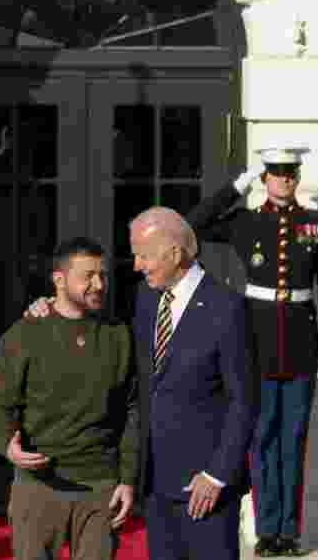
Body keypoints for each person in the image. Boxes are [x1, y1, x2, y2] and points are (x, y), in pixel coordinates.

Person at [186, 147, 318, 557]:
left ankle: (289, 532)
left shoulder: (317, 224)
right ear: (265, 179)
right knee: (261, 438)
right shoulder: (246, 222)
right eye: (275, 174)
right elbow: (192, 226)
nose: (284, 180)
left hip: (302, 345)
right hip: (256, 343)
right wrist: (237, 184)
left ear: (297, 177)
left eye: (290, 173)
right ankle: (266, 529)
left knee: (293, 439)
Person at [0, 237, 138, 560]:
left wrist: (127, 479)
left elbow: (131, 410)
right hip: (39, 486)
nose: (99, 284)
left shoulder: (118, 335)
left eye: (103, 275)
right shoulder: (25, 333)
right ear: (59, 280)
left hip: (99, 487)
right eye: (88, 276)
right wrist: (7, 445)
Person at [129, 207, 256, 560]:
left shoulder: (227, 308)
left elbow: (243, 400)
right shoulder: (146, 298)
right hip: (156, 484)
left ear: (174, 253)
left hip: (205, 489)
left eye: (143, 255)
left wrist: (218, 474)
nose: (137, 265)